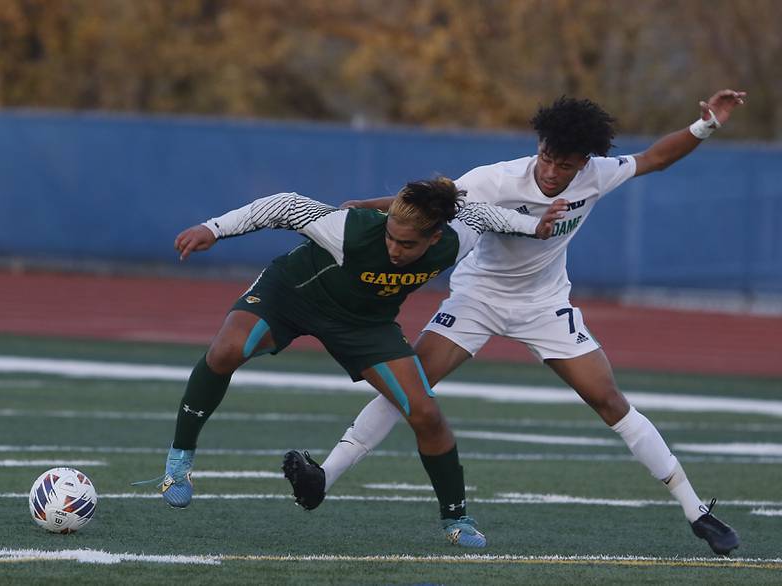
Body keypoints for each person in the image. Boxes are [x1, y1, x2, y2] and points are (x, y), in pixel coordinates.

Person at [282, 89, 747, 556]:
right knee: (412, 387)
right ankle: (326, 475)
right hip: (478, 297)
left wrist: (705, 126)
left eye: (564, 165)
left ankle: (696, 512)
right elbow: (424, 203)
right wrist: (359, 207)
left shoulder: (596, 176)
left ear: (584, 163)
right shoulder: (494, 180)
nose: (550, 171)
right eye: (546, 157)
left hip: (544, 305)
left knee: (608, 399)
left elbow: (654, 158)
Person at [152, 176, 567, 548]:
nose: (394, 249)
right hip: (293, 296)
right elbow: (282, 205)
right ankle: (179, 460)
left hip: (365, 323)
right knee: (226, 350)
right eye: (390, 237)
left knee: (425, 413)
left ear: (435, 237)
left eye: (407, 244)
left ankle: (456, 518)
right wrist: (213, 229)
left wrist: (535, 226)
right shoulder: (347, 230)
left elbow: (479, 213)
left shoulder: (458, 238)